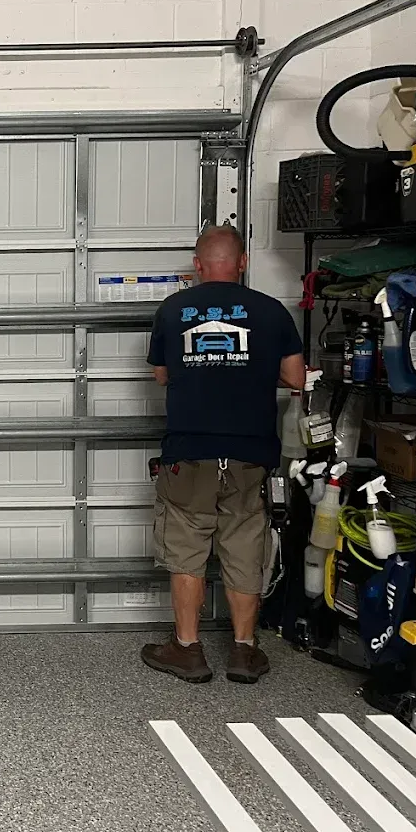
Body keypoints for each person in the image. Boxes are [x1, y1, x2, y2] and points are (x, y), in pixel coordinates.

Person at [140, 224, 304, 685]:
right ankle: (244, 651)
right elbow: (295, 378)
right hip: (250, 453)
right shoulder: (271, 312)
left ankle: (188, 650)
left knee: (187, 548)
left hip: (190, 452)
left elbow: (161, 375)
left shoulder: (172, 310)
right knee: (245, 544)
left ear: (197, 265)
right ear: (243, 262)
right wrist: (251, 377)